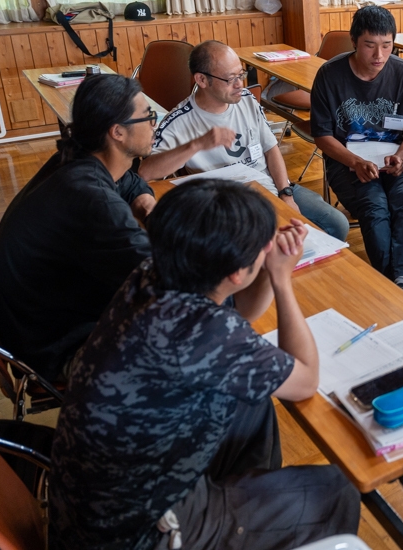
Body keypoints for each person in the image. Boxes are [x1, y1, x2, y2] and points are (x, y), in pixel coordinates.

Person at [49, 180, 360, 550]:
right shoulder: (205, 331)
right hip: (144, 532)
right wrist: (280, 278)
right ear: (234, 273)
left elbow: (239, 316)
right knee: (336, 491)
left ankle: (250, 512)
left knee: (251, 401)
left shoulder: (153, 274)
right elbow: (306, 379)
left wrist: (261, 265)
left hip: (96, 504)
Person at [0, 74, 155, 384]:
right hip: (59, 347)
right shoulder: (92, 199)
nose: (154, 124)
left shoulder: (77, 159)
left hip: (40, 320)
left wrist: (145, 204)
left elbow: (131, 181)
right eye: (148, 117)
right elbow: (162, 278)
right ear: (117, 132)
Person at [139, 40, 349, 241]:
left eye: (241, 75)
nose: (240, 84)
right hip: (227, 204)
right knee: (269, 236)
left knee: (337, 224)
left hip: (269, 186)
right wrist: (197, 145)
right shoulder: (179, 120)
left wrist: (285, 193)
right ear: (202, 80)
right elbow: (146, 172)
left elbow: (271, 149)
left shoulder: (247, 99)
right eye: (231, 79)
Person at [310, 6, 403, 306]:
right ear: (354, 41)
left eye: (387, 45)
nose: (379, 55)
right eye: (370, 45)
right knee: (374, 205)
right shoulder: (330, 76)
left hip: (397, 160)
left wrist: (401, 155)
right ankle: (398, 289)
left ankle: (401, 285)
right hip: (347, 161)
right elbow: (322, 135)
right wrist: (354, 162)